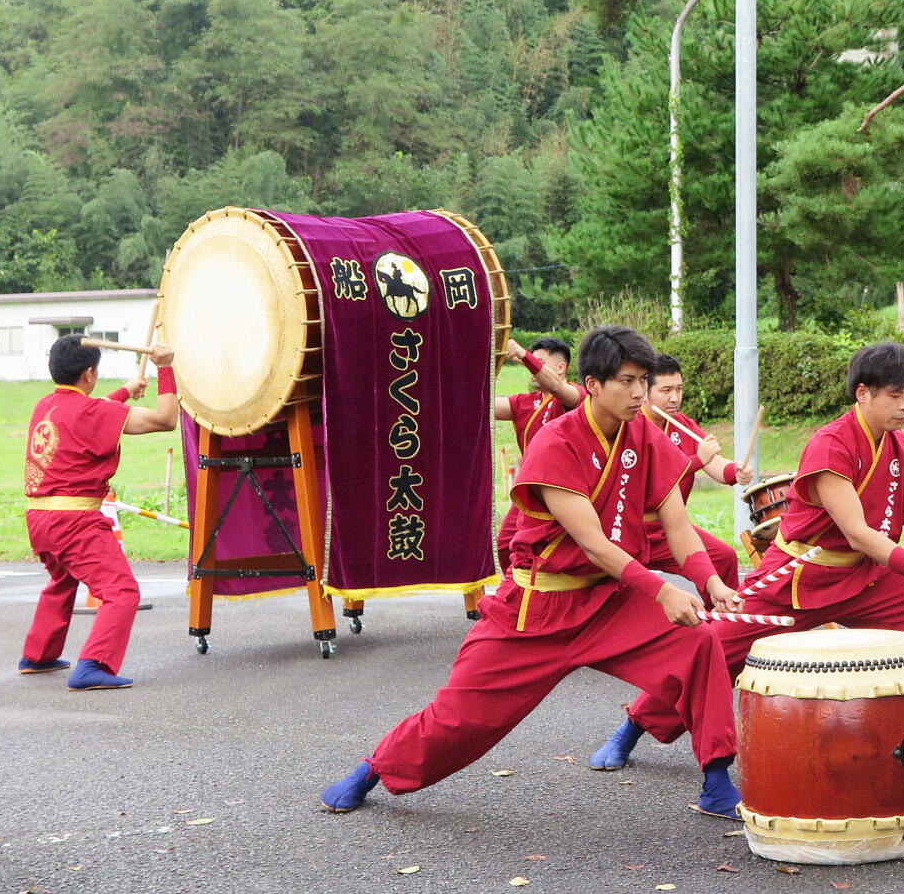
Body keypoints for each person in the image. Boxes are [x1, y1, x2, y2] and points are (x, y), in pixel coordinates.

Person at [321, 326, 743, 818]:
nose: (638, 392)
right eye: (627, 380)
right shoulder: (556, 442)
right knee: (458, 720)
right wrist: (662, 591)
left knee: (698, 645)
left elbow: (678, 525)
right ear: (592, 383)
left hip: (606, 602)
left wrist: (708, 580)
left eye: (642, 380)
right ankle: (373, 769)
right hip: (536, 611)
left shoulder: (643, 434)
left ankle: (716, 781)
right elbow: (594, 543)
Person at [589, 343, 904, 775]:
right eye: (895, 395)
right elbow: (857, 532)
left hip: (865, 580)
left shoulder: (902, 448)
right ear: (863, 393)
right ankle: (631, 728)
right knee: (712, 648)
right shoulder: (831, 444)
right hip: (797, 578)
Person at [19, 335, 180, 689]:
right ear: (90, 374)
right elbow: (166, 419)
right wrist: (165, 368)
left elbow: (92, 411)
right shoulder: (94, 412)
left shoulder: (45, 406)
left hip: (39, 519)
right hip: (73, 521)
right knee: (121, 591)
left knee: (62, 578)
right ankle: (94, 665)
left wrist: (124, 391)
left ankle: (39, 655)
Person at [636, 352, 749, 590]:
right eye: (666, 391)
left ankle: (721, 622)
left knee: (723, 557)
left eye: (679, 389)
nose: (675, 398)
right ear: (645, 392)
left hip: (670, 529)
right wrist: (698, 459)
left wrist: (734, 470)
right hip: (631, 529)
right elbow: (654, 478)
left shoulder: (684, 425)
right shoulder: (632, 426)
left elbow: (713, 462)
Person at [492, 335, 581, 454]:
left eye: (537, 363)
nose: (532, 370)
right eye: (531, 363)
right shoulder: (524, 402)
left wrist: (524, 356)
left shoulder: (574, 395)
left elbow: (555, 386)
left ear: (560, 368)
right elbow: (483, 406)